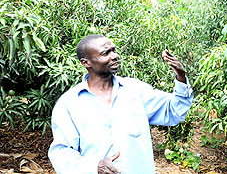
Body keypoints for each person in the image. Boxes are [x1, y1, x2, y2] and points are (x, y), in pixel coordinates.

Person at [48, 34, 193, 174]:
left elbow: (174, 111)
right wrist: (94, 167)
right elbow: (61, 152)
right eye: (106, 53)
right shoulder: (69, 103)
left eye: (114, 50)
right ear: (86, 62)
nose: (115, 56)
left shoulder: (136, 90)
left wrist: (181, 77)